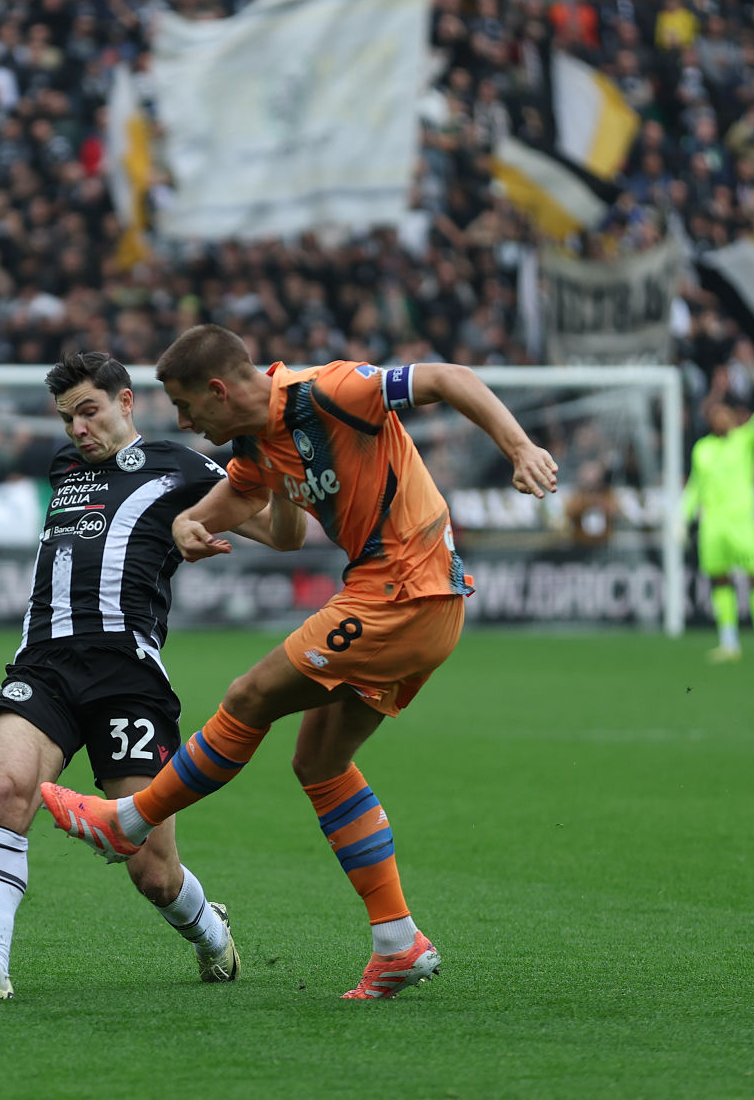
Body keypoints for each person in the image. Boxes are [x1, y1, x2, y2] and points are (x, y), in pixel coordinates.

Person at [39, 326, 558, 999]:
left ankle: (126, 821)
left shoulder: (332, 391)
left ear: (219, 390)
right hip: (413, 601)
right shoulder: (257, 444)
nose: (185, 421)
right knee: (318, 762)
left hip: (401, 592)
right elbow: (275, 526)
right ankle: (397, 942)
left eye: (188, 406)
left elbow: (448, 377)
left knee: (250, 695)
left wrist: (519, 447)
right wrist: (190, 524)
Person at [0, 352, 306, 1004]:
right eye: (68, 417)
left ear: (128, 402)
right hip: (43, 664)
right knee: (8, 786)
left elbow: (279, 530)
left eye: (89, 411)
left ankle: (211, 933)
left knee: (152, 871)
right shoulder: (65, 468)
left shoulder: (180, 465)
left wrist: (274, 479)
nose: (78, 429)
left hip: (127, 678)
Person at [685, 362, 754, 663]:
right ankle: (729, 642)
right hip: (713, 526)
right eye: (715, 414)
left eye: (724, 413)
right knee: (720, 582)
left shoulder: (744, 441)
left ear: (732, 419)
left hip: (741, 522)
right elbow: (695, 486)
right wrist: (683, 518)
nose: (719, 418)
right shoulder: (702, 449)